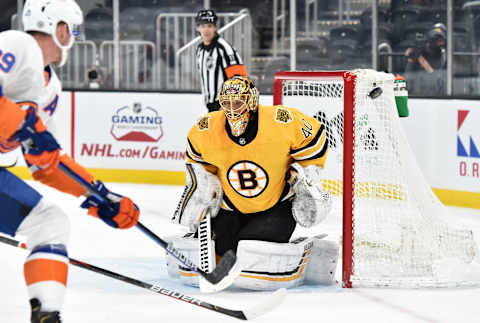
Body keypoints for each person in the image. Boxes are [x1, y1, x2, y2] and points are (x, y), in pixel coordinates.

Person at [0, 1, 140, 322]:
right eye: (73, 30)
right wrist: (19, 124)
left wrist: (98, 194)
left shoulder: (50, 89)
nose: (74, 38)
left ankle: (48, 316)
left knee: (50, 225)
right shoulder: (17, 44)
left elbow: (46, 163)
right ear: (59, 27)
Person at [169, 75, 339, 291]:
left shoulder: (281, 121)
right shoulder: (207, 128)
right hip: (230, 208)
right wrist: (204, 187)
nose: (231, 109)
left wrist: (308, 177)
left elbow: (315, 139)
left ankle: (304, 252)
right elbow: (198, 164)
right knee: (216, 251)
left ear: (251, 101)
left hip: (276, 206)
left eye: (237, 102)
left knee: (253, 249)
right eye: (226, 103)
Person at [195, 9, 248, 112]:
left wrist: (230, 105)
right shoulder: (200, 50)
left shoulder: (224, 48)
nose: (206, 30)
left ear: (215, 27)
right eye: (203, 26)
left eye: (209, 26)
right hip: (210, 106)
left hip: (226, 107)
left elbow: (239, 78)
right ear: (198, 28)